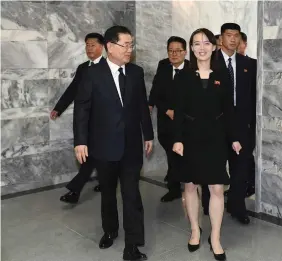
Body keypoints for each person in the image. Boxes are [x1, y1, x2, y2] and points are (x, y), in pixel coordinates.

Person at [74, 25, 153, 261]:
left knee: (132, 196)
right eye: (125, 45)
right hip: (103, 146)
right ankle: (110, 230)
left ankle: (132, 245)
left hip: (130, 147)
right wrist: (80, 141)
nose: (130, 49)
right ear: (110, 46)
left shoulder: (136, 73)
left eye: (131, 45)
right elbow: (82, 109)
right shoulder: (91, 74)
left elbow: (141, 106)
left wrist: (147, 134)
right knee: (108, 193)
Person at [172, 28, 241, 261]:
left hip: (215, 138)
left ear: (214, 46)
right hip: (190, 139)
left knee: (217, 188)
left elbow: (229, 111)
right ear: (191, 49)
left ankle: (216, 238)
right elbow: (178, 111)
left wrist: (234, 138)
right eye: (196, 44)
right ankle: (194, 230)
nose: (201, 48)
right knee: (190, 186)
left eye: (205, 43)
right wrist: (177, 139)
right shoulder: (183, 76)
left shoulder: (223, 75)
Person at [51, 33, 105, 204]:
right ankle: (104, 182)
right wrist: (59, 108)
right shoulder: (83, 68)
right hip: (85, 121)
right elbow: (73, 89)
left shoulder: (108, 67)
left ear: (102, 47)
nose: (89, 48)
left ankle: (75, 190)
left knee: (92, 157)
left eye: (93, 45)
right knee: (90, 155)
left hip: (103, 121)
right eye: (87, 45)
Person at [217, 23, 256, 225]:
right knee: (214, 168)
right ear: (221, 38)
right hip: (216, 126)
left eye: (236, 36)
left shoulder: (247, 64)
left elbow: (253, 96)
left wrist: (253, 127)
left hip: (242, 126)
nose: (233, 39)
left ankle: (237, 206)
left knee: (240, 169)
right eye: (228, 35)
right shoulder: (210, 62)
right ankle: (210, 206)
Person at [148, 36, 188, 202]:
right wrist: (161, 108)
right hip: (166, 119)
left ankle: (177, 184)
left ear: (185, 52)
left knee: (181, 154)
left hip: (186, 120)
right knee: (170, 152)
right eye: (171, 50)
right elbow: (156, 89)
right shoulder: (163, 65)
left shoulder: (193, 68)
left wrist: (178, 112)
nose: (174, 54)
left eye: (178, 50)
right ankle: (175, 185)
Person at [237, 31, 257, 198]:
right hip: (232, 119)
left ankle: (251, 184)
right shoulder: (225, 65)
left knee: (247, 154)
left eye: (239, 44)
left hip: (250, 119)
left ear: (245, 44)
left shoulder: (254, 64)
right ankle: (238, 186)